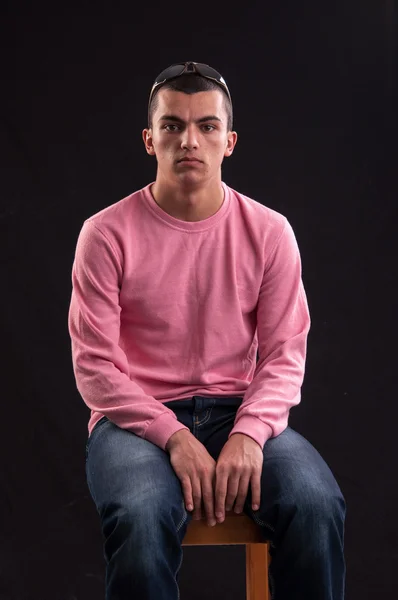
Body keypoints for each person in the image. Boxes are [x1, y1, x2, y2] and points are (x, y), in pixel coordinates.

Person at [68, 61, 346, 600]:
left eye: (206, 126)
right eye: (172, 125)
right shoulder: (104, 234)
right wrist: (173, 436)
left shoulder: (269, 232)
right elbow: (95, 368)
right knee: (142, 514)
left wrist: (249, 430)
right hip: (134, 421)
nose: (189, 140)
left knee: (316, 504)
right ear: (150, 140)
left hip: (237, 411)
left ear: (230, 141)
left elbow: (285, 353)